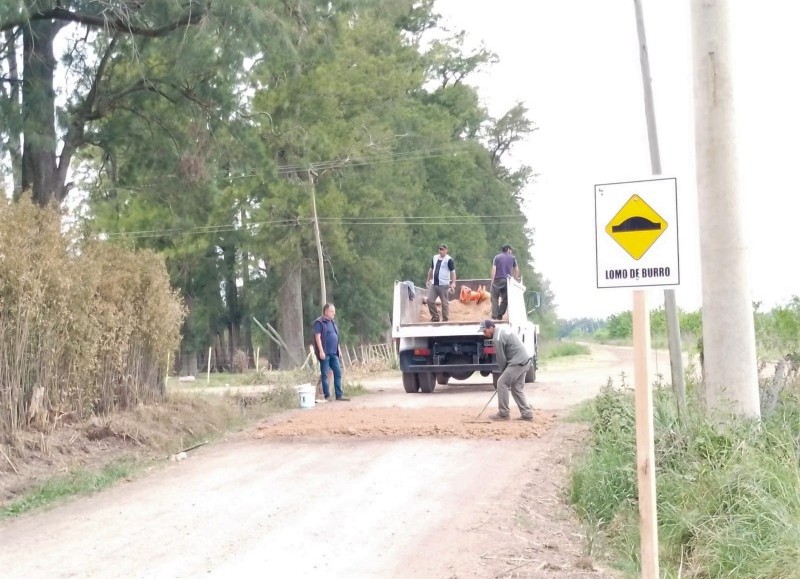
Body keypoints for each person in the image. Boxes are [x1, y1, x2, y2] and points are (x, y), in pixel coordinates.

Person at [479, 319, 533, 421]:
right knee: (517, 388)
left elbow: (501, 358)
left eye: (484, 331)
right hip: (525, 361)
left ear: (491, 328)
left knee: (501, 383)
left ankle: (503, 414)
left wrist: (503, 372)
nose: (484, 333)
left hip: (517, 362)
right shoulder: (501, 331)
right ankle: (527, 413)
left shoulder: (497, 338)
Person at [313, 303, 349, 401]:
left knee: (337, 373)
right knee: (325, 374)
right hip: (325, 353)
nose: (334, 313)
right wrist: (321, 351)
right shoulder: (319, 322)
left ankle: (339, 395)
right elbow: (318, 337)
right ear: (326, 312)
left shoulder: (333, 323)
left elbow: (335, 337)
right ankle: (327, 396)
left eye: (334, 311)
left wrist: (339, 350)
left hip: (334, 353)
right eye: (332, 311)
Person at [426, 243, 456, 322]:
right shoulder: (435, 258)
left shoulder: (449, 260)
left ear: (446, 250)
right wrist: (428, 279)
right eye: (440, 249)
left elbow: (453, 272)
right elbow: (431, 269)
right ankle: (435, 317)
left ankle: (445, 319)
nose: (441, 251)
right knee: (429, 300)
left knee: (444, 303)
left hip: (444, 285)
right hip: (434, 284)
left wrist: (453, 283)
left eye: (443, 249)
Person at [490, 243, 519, 320]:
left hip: (497, 280)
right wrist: (515, 280)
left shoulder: (497, 257)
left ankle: (494, 316)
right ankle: (500, 314)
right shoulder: (513, 258)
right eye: (511, 250)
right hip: (507, 281)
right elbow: (516, 270)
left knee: (494, 298)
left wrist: (492, 280)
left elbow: (494, 269)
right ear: (508, 250)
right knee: (505, 299)